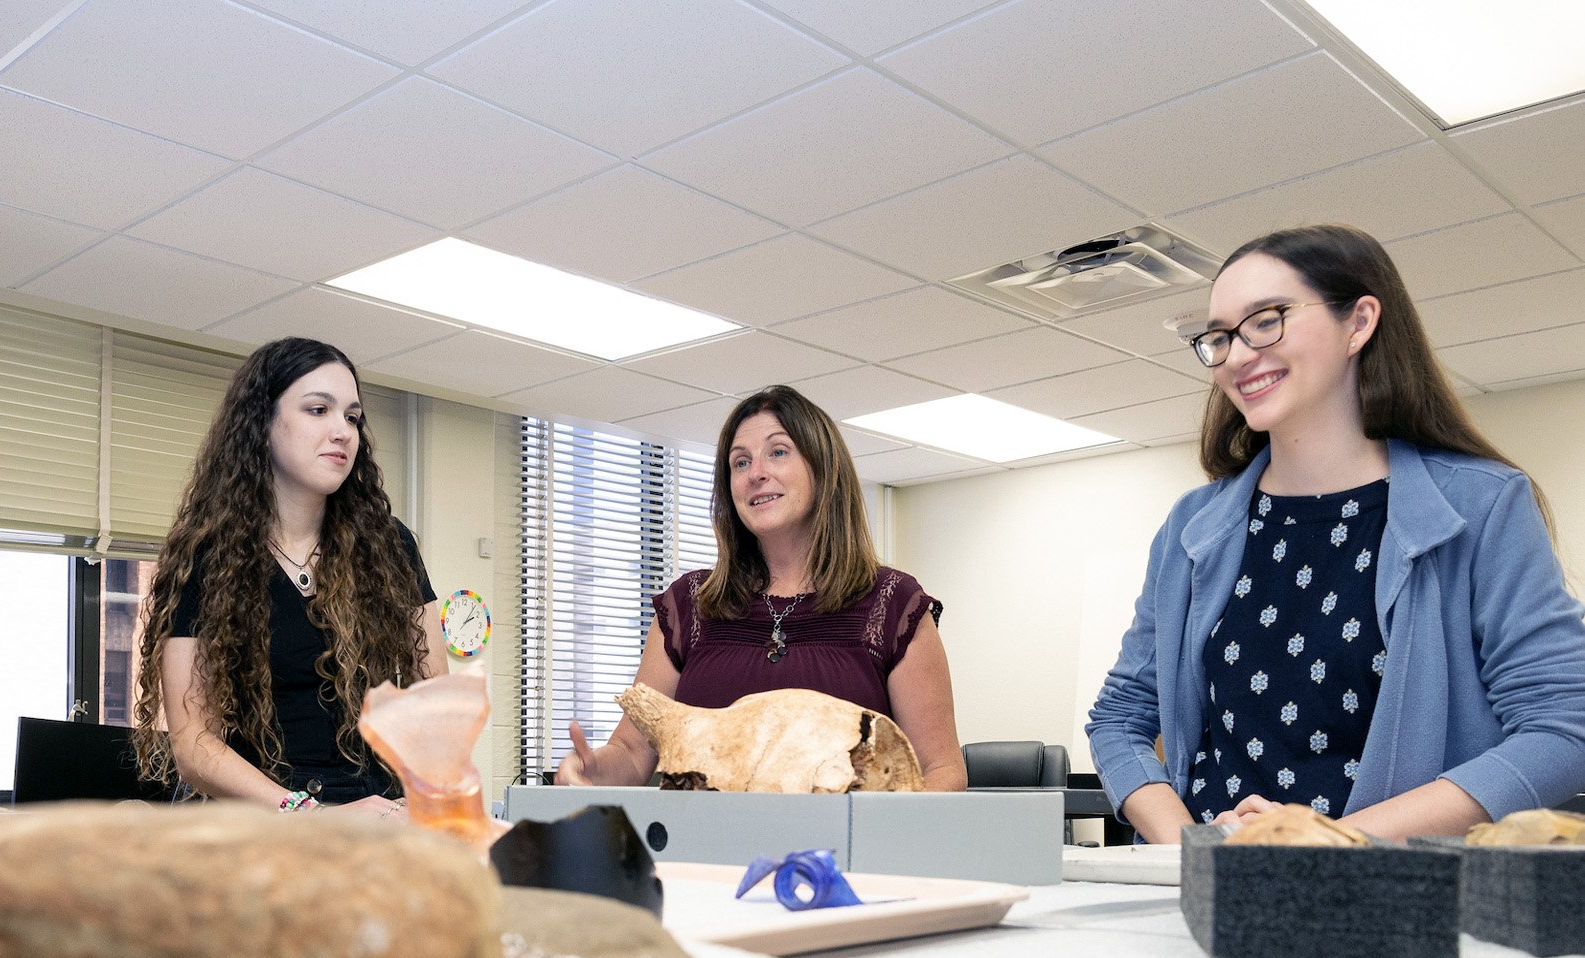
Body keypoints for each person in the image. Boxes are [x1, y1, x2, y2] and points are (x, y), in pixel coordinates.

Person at [1087, 223, 1585, 843]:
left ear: (1360, 322)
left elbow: (1564, 727)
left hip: (1390, 900)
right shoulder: (1193, 526)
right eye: (1218, 337)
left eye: (1266, 320)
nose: (1237, 355)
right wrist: (1190, 847)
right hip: (1207, 888)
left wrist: (1332, 842)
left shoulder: (1481, 505)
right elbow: (1119, 717)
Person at [557, 384, 965, 789]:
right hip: (703, 850)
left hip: (842, 853)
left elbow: (942, 769)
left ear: (823, 470)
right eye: (740, 462)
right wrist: (591, 770)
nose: (756, 473)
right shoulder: (688, 606)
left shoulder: (892, 604)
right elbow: (631, 752)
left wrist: (882, 836)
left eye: (778, 452)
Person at [133, 337, 442, 816]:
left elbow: (433, 703)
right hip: (262, 819)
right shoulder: (207, 556)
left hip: (377, 811)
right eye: (318, 410)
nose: (342, 430)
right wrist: (309, 814)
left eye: (352, 417)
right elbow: (194, 745)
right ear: (262, 424)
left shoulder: (390, 545)